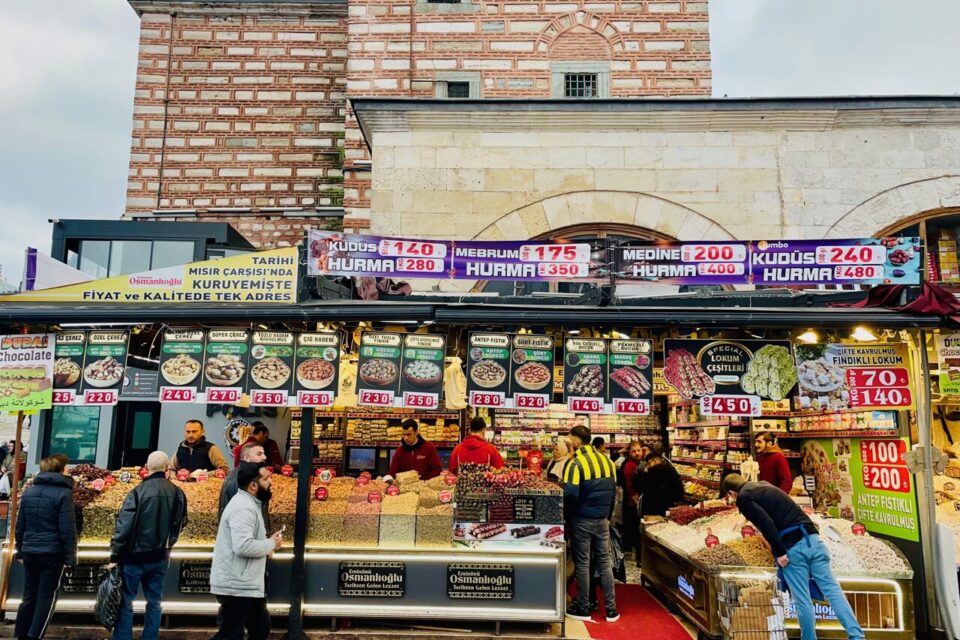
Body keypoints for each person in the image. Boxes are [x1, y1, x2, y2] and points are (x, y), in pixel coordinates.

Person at [721, 474, 865, 640]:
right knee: (833, 592)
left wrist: (780, 552)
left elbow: (766, 524)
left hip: (794, 548)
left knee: (802, 599)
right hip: (814, 539)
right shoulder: (764, 484)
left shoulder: (744, 497)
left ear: (732, 492)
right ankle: (857, 636)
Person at [109, 451, 187, 640]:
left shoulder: (137, 492)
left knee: (125, 601)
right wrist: (168, 544)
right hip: (160, 557)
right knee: (154, 602)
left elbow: (123, 527)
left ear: (146, 467)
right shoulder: (178, 493)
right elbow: (180, 523)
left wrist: (115, 554)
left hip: (133, 557)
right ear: (167, 468)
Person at [211, 463, 283, 640]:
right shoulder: (244, 508)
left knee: (260, 629)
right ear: (253, 485)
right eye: (266, 479)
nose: (271, 482)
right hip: (237, 586)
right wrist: (270, 544)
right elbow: (242, 546)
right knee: (231, 635)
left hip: (246, 584)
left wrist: (267, 544)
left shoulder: (250, 504)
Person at [14, 453, 77, 640]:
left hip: (29, 552)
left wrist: (20, 550)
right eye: (66, 468)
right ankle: (35, 635)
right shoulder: (64, 494)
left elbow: (20, 525)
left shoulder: (29, 492)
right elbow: (67, 529)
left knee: (28, 596)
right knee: (46, 598)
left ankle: (20, 635)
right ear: (60, 470)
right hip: (52, 553)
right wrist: (70, 558)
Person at [563, 425, 619, 623]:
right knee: (604, 563)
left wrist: (567, 519)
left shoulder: (575, 464)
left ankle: (583, 607)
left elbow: (570, 495)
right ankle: (611, 610)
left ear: (576, 440)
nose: (568, 441)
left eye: (570, 438)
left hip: (582, 520)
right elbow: (613, 493)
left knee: (583, 564)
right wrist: (607, 516)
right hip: (602, 520)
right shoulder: (608, 461)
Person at [220, 442, 269, 527]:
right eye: (259, 454)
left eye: (263, 453)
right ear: (246, 458)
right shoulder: (243, 479)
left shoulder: (250, 475)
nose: (264, 457)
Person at [634, 450, 684, 517]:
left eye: (649, 463)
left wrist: (645, 473)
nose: (648, 466)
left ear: (655, 461)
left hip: (656, 509)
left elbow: (644, 488)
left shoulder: (655, 471)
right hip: (668, 506)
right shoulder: (670, 468)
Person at [619, 441, 644, 564]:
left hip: (633, 503)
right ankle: (637, 556)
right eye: (634, 451)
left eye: (639, 450)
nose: (637, 453)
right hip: (632, 504)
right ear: (629, 453)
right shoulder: (630, 465)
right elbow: (630, 487)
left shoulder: (638, 463)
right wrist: (638, 503)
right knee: (634, 529)